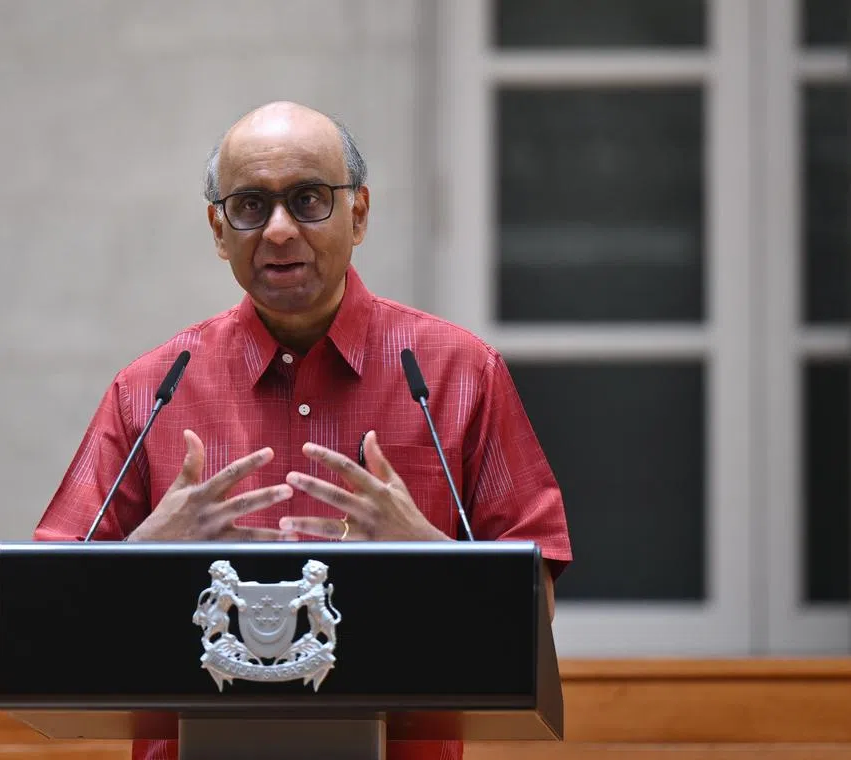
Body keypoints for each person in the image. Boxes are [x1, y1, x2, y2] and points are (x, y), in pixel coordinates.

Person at [34, 101, 572, 760]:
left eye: (309, 199)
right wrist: (143, 557)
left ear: (360, 213)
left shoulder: (457, 375)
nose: (281, 231)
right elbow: (46, 609)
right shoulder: (149, 390)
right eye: (251, 205)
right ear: (218, 228)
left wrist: (433, 557)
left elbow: (534, 603)